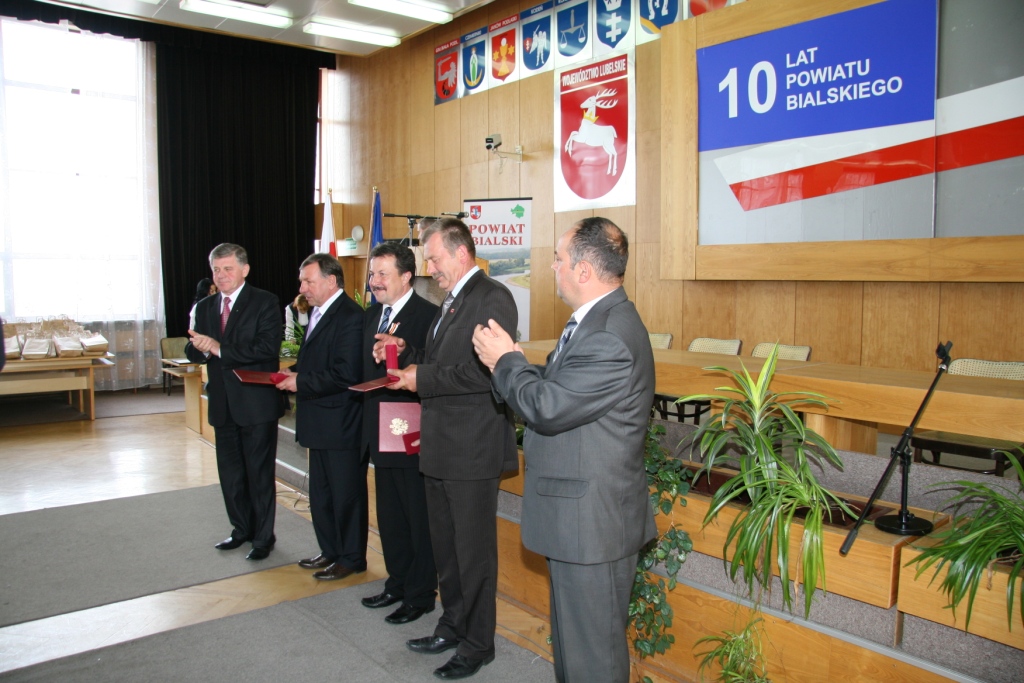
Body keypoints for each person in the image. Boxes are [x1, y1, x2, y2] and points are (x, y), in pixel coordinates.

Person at [472, 217, 657, 683]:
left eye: (558, 259)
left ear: (583, 271)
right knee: (576, 654)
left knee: (593, 660)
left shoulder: (608, 334)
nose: (552, 267)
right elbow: (562, 389)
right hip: (580, 522)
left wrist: (505, 362)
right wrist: (515, 364)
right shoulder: (594, 322)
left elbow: (548, 407)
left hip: (592, 526)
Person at [375, 218, 518, 680]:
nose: (429, 269)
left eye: (434, 259)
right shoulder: (451, 300)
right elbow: (443, 362)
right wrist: (406, 352)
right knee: (448, 549)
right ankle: (453, 625)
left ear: (461, 253)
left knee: (473, 554)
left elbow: (486, 372)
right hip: (439, 445)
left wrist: (423, 377)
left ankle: (478, 645)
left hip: (471, 450)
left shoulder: (492, 296)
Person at [186, 243, 283, 561]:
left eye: (228, 268)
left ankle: (263, 538)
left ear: (245, 269)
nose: (221, 275)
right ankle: (241, 529)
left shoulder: (265, 302)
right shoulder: (205, 306)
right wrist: (200, 349)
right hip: (222, 404)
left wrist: (218, 348)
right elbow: (192, 349)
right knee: (230, 474)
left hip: (256, 404)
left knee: (259, 474)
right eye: (216, 269)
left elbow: (266, 349)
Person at [359, 242, 439, 624]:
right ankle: (398, 582)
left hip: (411, 431)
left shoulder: (428, 316)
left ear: (406, 276)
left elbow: (433, 370)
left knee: (416, 515)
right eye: (372, 274)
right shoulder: (372, 315)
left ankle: (420, 594)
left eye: (382, 274)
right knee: (390, 515)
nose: (374, 281)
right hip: (379, 427)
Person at [275, 253, 366, 580]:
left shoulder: (351, 317)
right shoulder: (317, 312)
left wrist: (300, 381)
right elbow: (317, 362)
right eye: (302, 281)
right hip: (319, 421)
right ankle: (330, 550)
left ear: (331, 281)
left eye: (308, 281)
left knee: (346, 495)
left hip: (341, 423)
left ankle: (351, 558)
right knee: (323, 494)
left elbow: (346, 373)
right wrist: (291, 373)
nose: (302, 288)